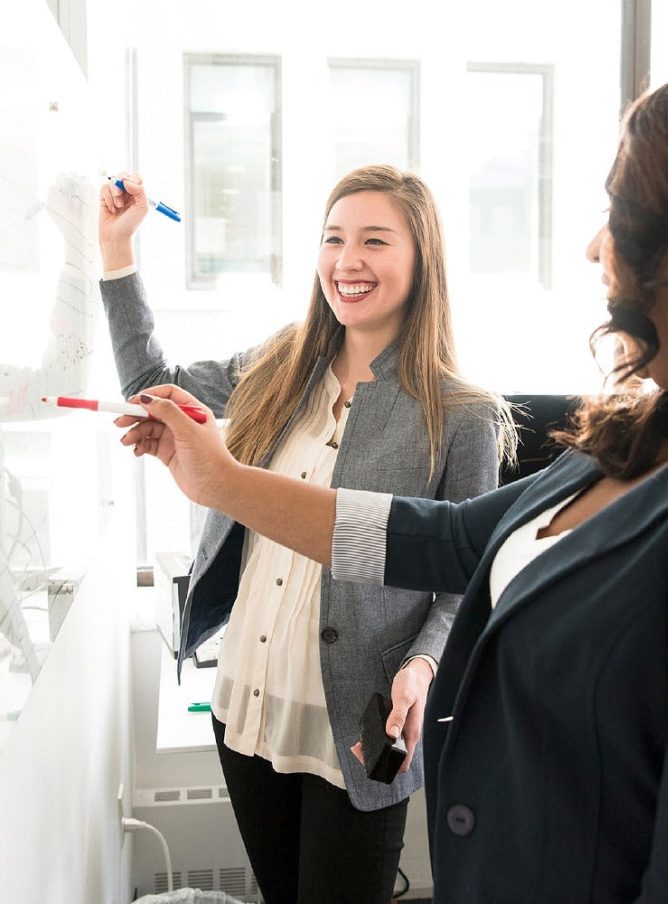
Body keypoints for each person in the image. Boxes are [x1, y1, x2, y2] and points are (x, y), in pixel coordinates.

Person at [115, 57, 668, 902]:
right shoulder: (631, 442)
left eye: (619, 207)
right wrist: (221, 481)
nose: (593, 244)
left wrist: (420, 666)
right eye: (334, 238)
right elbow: (447, 539)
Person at [98, 164, 514, 904]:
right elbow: (150, 384)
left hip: (360, 725)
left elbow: (467, 578)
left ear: (422, 261)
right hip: (246, 704)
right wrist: (117, 252)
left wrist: (422, 664)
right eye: (333, 239)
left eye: (374, 241)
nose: (346, 260)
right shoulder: (277, 365)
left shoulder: (462, 414)